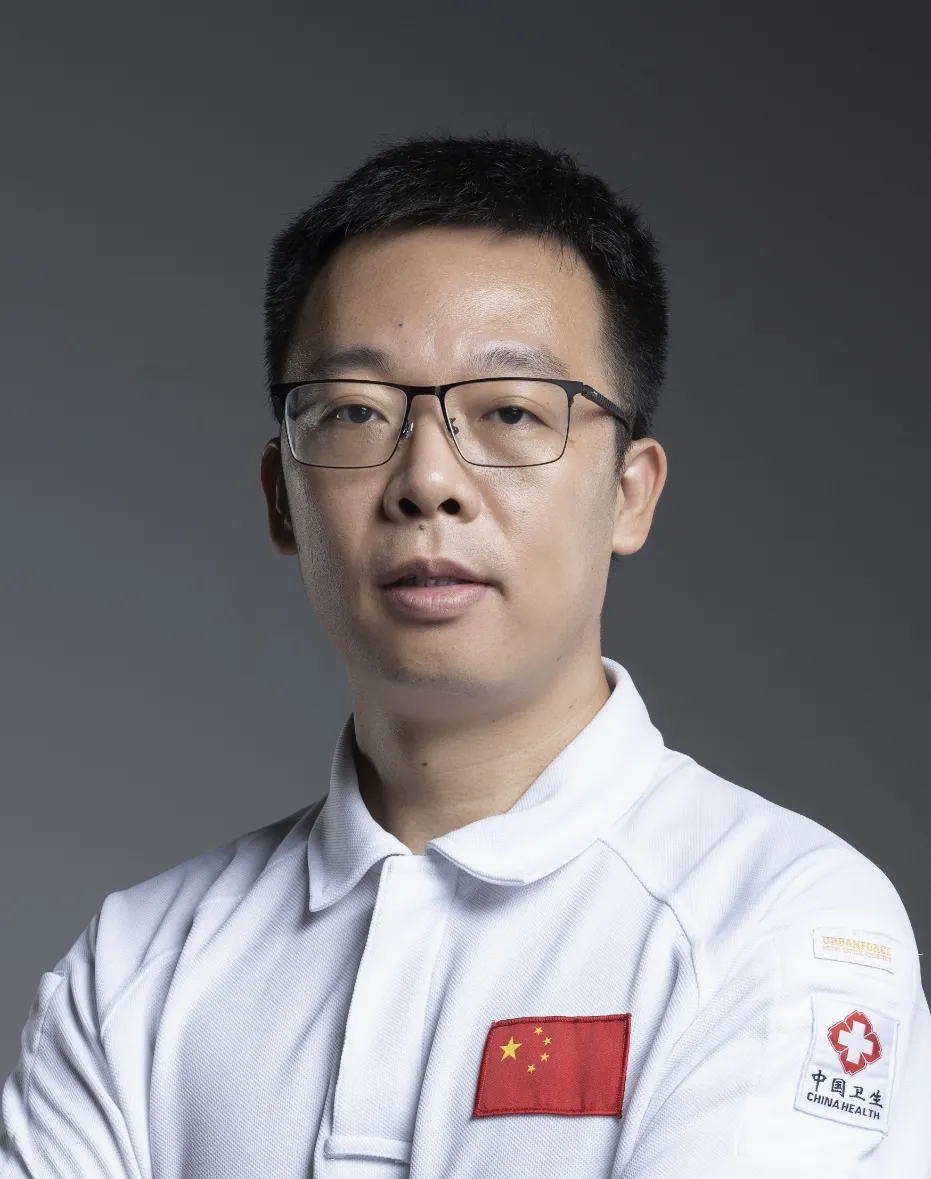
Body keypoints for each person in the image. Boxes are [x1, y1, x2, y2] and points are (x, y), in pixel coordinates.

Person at [1, 135, 927, 1179]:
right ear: (280, 498)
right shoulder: (136, 971)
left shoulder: (779, 921)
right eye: (356, 412)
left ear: (630, 494)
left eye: (511, 412)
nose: (427, 480)